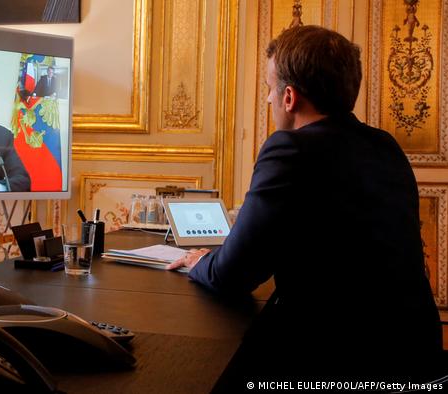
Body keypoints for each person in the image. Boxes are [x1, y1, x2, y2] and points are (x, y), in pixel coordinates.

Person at [167, 26, 443, 386]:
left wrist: (199, 260)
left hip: (335, 359)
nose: (267, 99)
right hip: (415, 350)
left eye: (269, 88)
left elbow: (231, 276)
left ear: (289, 97)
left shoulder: (290, 150)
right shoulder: (384, 146)